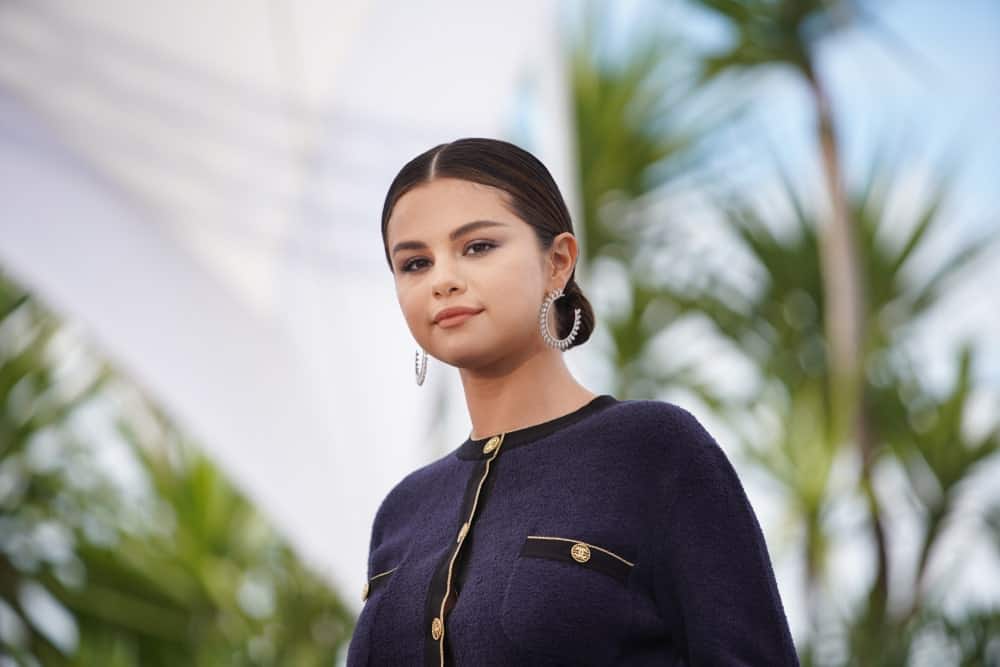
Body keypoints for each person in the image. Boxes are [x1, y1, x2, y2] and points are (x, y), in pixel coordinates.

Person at [346, 137, 799, 666]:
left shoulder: (652, 451)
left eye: (477, 247)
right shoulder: (405, 510)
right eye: (416, 263)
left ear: (558, 262)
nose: (443, 280)